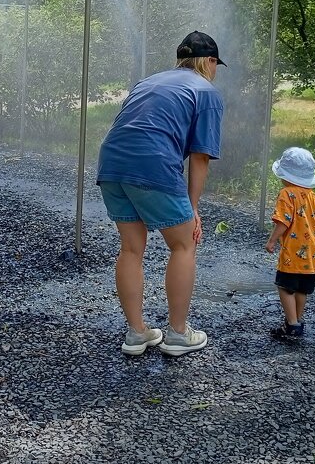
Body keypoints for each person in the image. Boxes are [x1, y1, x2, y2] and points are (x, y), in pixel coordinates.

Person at [96, 31, 225, 357]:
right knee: (184, 243)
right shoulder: (206, 92)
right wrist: (193, 208)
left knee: (131, 248)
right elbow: (199, 158)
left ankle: (137, 333)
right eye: (216, 64)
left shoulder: (149, 81)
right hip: (152, 165)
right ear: (209, 62)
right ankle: (178, 334)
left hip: (111, 163)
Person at [264, 147, 315, 339]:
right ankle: (297, 322)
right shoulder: (314, 197)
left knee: (285, 286)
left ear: (286, 175)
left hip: (293, 254)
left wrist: (272, 240)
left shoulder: (287, 193)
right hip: (313, 254)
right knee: (302, 289)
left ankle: (291, 324)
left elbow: (283, 221)